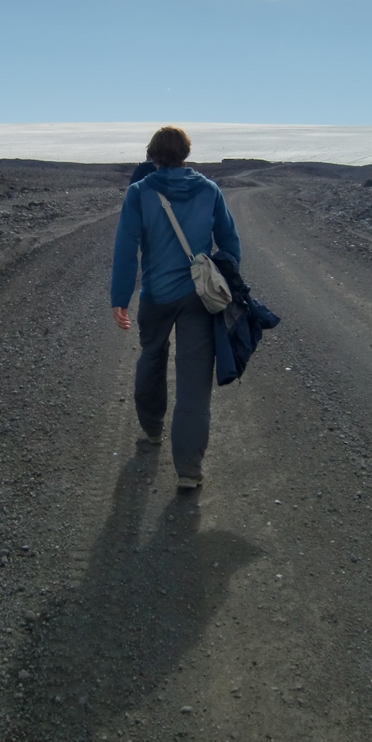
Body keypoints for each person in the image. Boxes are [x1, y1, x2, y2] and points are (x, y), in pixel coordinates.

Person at [111, 126, 241, 489]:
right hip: (199, 299)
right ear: (186, 153)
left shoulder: (139, 192)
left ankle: (152, 429)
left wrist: (120, 298)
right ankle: (188, 469)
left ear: (152, 155)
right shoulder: (209, 190)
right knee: (194, 380)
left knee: (151, 357)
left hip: (156, 296)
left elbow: (126, 249)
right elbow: (230, 243)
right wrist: (222, 275)